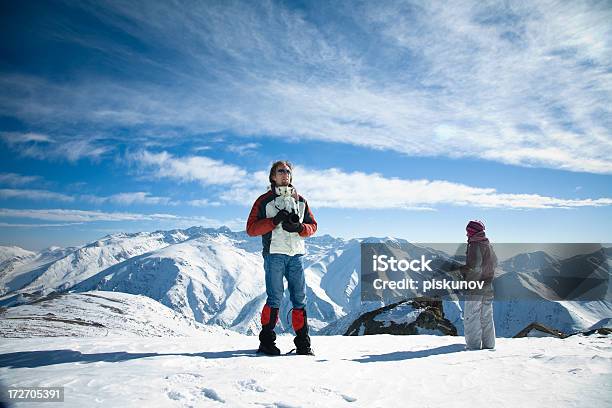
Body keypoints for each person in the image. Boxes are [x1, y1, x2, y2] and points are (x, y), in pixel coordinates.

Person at [246, 160, 318, 355]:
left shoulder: (301, 200)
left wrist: (300, 228)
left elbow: (313, 226)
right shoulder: (264, 201)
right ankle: (267, 343)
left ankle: (303, 344)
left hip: (296, 256)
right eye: (280, 171)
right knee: (274, 298)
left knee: (299, 299)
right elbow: (251, 229)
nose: (285, 174)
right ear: (272, 176)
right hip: (274, 255)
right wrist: (274, 221)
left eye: (288, 171)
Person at [460, 220, 498, 350]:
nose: (466, 235)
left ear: (472, 232)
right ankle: (489, 346)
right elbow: (495, 263)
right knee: (486, 317)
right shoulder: (487, 245)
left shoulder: (475, 246)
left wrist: (464, 273)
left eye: (468, 232)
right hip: (488, 286)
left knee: (472, 317)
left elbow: (474, 268)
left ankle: (473, 348)